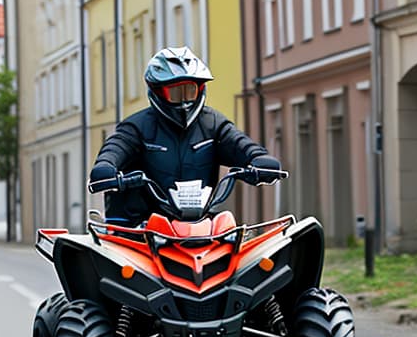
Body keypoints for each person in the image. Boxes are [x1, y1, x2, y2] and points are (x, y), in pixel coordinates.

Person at [89, 46, 281, 225]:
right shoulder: (136, 127)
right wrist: (106, 166)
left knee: (242, 246)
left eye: (189, 91)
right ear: (157, 92)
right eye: (175, 92)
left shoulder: (213, 124)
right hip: (139, 228)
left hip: (201, 226)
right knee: (114, 258)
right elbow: (116, 147)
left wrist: (258, 158)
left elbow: (238, 143)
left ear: (200, 89)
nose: (184, 102)